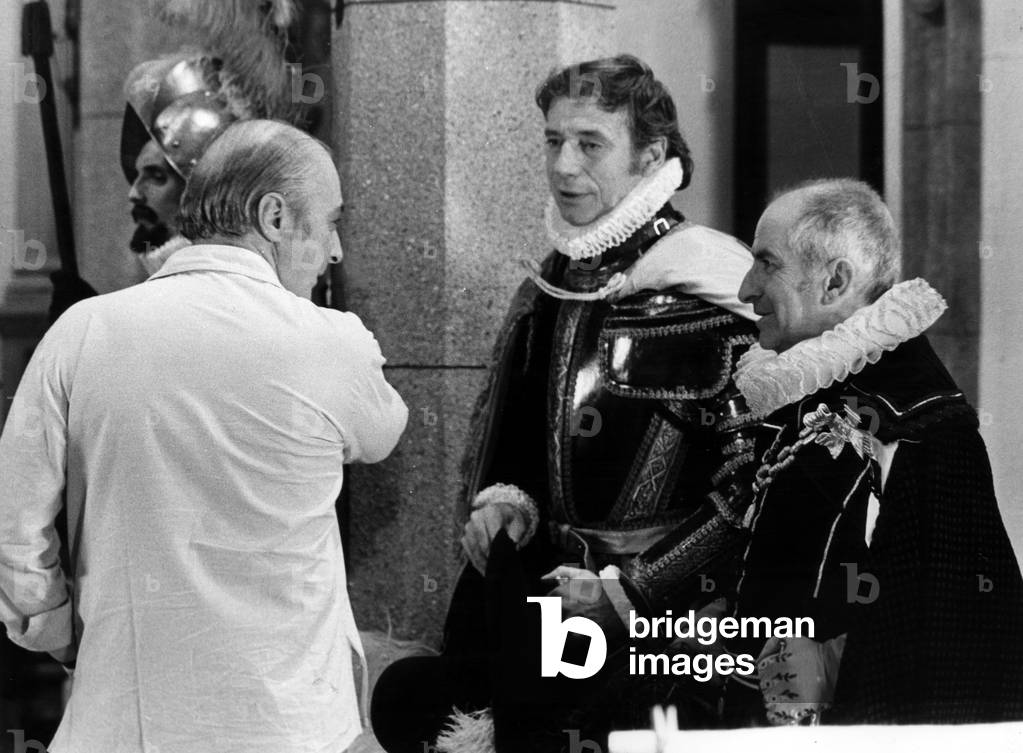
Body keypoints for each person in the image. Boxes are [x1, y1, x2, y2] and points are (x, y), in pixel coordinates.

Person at [372, 55, 760, 752]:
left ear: (651, 155)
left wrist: (633, 590)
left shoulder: (714, 287)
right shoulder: (552, 284)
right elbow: (518, 438)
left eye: (589, 143)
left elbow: (748, 485)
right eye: (552, 141)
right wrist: (505, 499)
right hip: (542, 608)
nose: (562, 165)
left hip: (667, 626)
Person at [0, 119, 409, 752]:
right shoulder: (332, 343)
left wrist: (53, 628)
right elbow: (382, 431)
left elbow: (13, 519)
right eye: (330, 222)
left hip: (119, 723)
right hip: (287, 728)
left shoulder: (81, 332)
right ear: (274, 217)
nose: (336, 252)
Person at [727, 178, 1023, 724]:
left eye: (767, 265)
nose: (746, 290)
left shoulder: (923, 424)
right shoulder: (802, 385)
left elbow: (951, 650)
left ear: (835, 280)